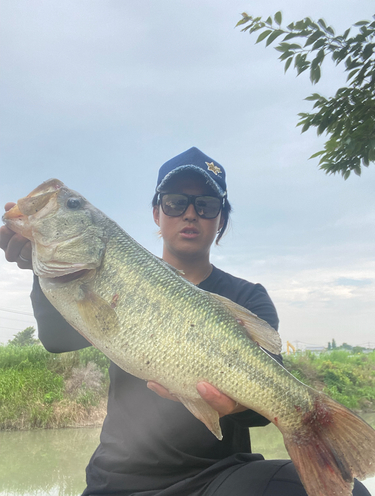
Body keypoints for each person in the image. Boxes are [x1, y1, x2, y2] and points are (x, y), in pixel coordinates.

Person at [0, 147, 370, 496]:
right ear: (157, 213)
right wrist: (40, 267)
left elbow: (264, 408)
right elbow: (55, 339)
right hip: (117, 480)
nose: (190, 214)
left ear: (221, 219)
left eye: (206, 205)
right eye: (176, 203)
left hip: (221, 476)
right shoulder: (106, 273)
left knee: (351, 492)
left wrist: (237, 406)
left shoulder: (248, 296)